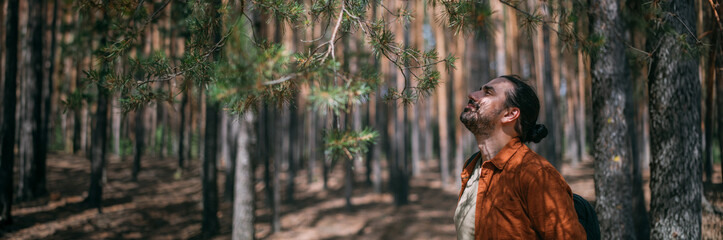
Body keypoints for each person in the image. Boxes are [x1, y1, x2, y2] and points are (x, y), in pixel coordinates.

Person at [454, 75, 586, 239]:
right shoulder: (472, 166)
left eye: (487, 93)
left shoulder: (537, 175)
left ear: (510, 114)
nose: (472, 94)